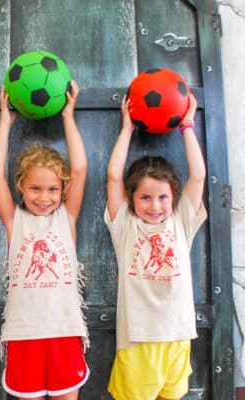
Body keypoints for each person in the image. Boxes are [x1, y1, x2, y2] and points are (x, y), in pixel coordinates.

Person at [0, 81, 89, 400]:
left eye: (53, 190)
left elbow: (81, 168)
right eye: (35, 189)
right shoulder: (14, 220)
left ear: (62, 191)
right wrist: (4, 123)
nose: (44, 197)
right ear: (21, 186)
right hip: (24, 333)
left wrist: (68, 117)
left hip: (64, 331)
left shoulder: (66, 217)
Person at [105, 93, 207, 400]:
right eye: (145, 197)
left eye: (163, 197)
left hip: (177, 336)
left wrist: (188, 124)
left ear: (173, 198)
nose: (154, 205)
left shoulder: (181, 222)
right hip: (138, 340)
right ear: (132, 199)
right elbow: (113, 177)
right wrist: (126, 129)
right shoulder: (125, 225)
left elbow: (198, 176)